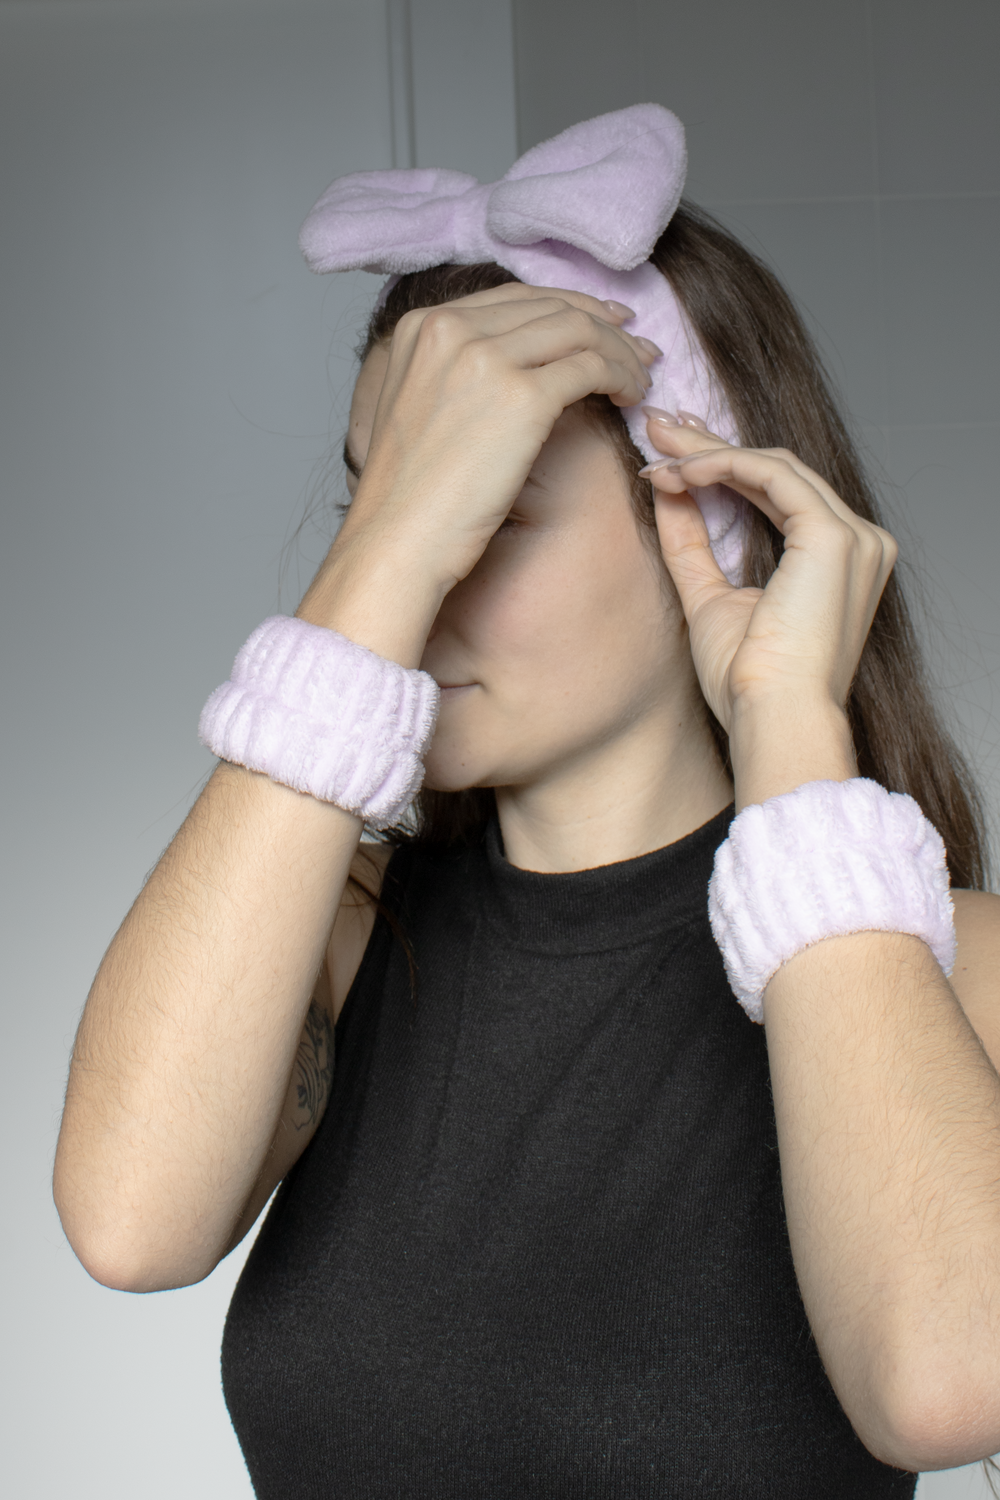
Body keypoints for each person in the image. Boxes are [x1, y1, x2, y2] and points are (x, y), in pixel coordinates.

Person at [53, 106, 1000, 1498]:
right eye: (379, 510)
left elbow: (946, 1387)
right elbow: (130, 1227)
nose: (418, 580)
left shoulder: (948, 963)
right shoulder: (340, 934)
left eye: (485, 506)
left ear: (711, 515)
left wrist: (792, 726)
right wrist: (380, 567)